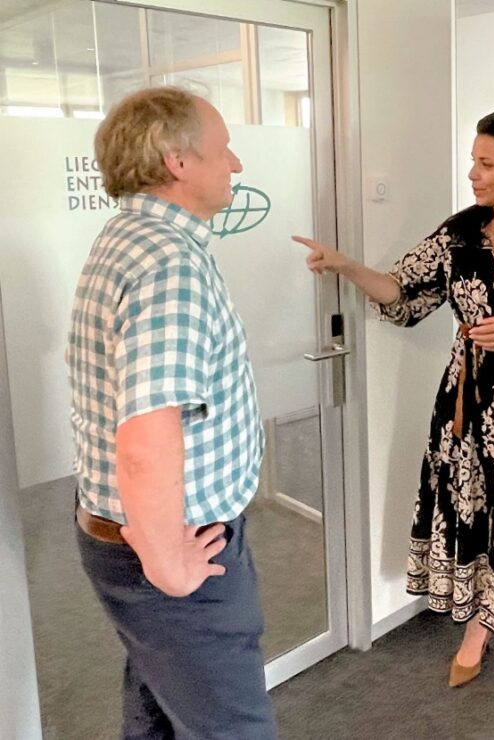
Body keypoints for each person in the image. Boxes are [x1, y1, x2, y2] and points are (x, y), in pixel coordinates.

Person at [294, 110, 494, 703]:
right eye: (473, 161)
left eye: (486, 164)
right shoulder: (458, 233)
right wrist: (346, 265)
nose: (473, 174)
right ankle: (483, 620)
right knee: (477, 508)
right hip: (469, 400)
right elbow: (403, 293)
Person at [67, 87, 275, 739]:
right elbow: (146, 434)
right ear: (178, 160)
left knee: (161, 708)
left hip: (133, 535)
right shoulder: (168, 263)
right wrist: (166, 561)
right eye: (222, 149)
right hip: (172, 549)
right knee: (230, 727)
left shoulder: (129, 237)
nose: (235, 165)